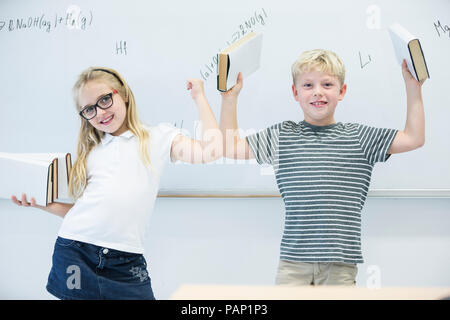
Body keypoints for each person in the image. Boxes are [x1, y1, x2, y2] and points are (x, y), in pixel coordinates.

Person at [11, 67, 222, 299]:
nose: (100, 112)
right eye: (89, 109)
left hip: (126, 262)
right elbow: (88, 211)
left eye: (104, 99)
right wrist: (43, 205)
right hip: (75, 252)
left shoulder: (158, 137)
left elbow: (210, 151)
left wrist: (199, 97)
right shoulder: (90, 153)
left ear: (123, 94)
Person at [219, 49, 425, 286]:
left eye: (327, 84)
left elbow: (414, 137)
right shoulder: (282, 136)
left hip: (340, 266)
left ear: (342, 91)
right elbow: (228, 146)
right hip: (293, 265)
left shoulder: (359, 138)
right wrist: (229, 99)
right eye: (308, 85)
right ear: (295, 93)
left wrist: (414, 88)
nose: (318, 91)